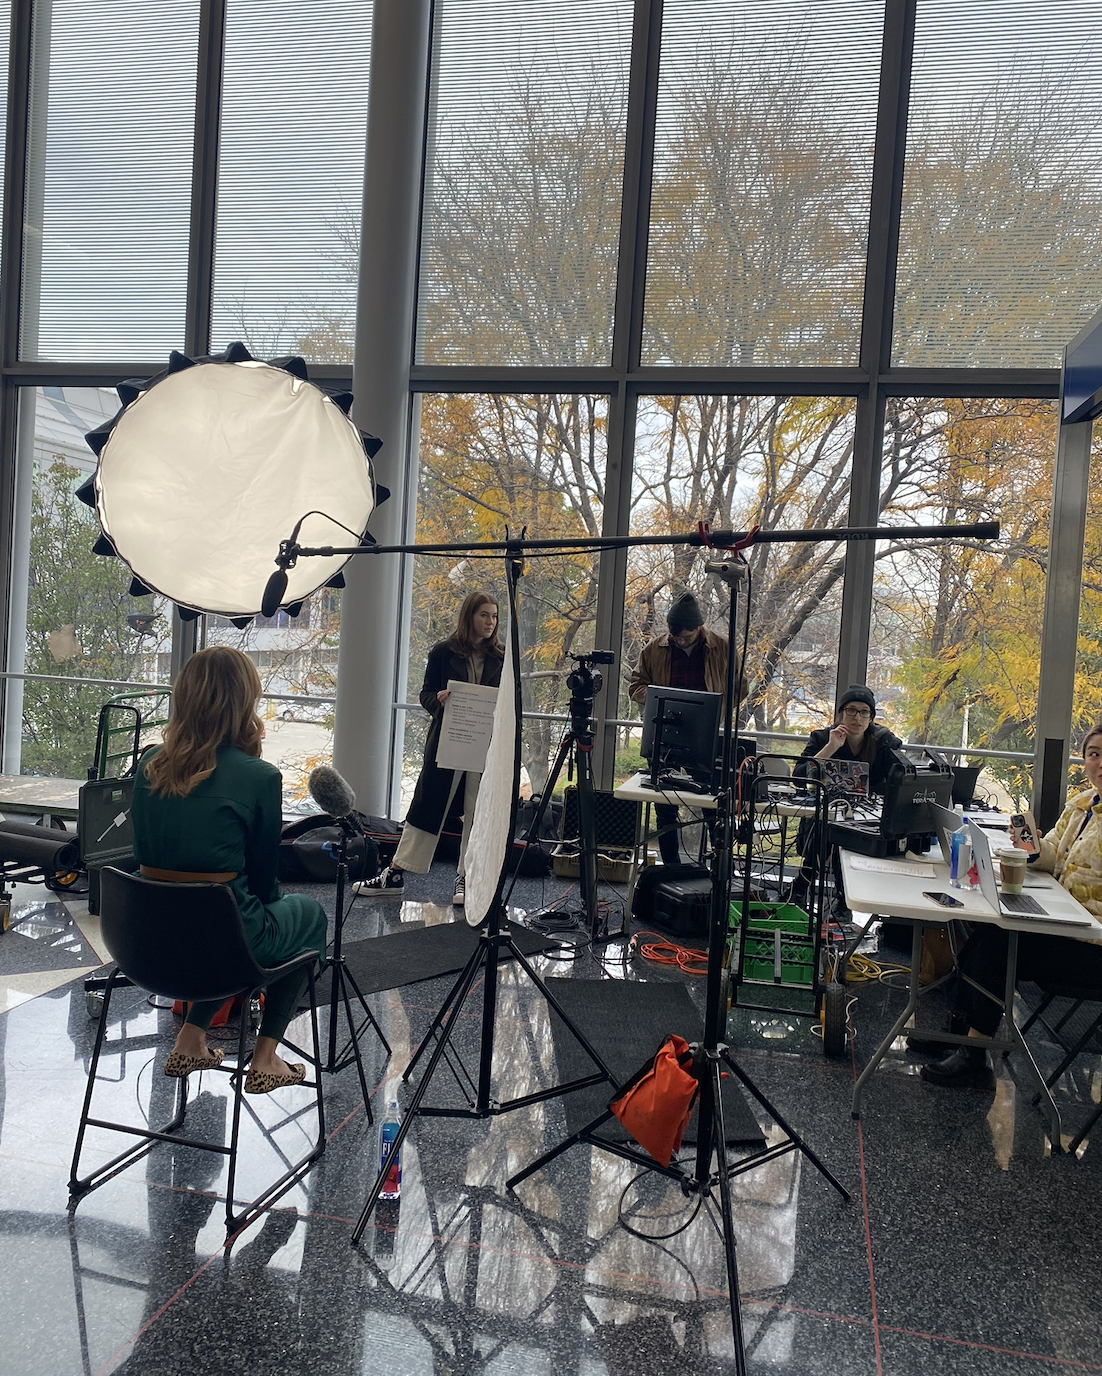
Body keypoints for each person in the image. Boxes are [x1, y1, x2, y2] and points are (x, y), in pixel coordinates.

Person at [131, 646, 327, 1095]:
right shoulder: (259, 776)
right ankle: (266, 1058)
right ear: (244, 702)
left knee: (216, 924)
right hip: (222, 943)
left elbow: (141, 853)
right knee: (305, 919)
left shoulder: (149, 764)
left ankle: (191, 1038)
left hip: (144, 944)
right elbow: (263, 883)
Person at [920, 722, 1102, 1089]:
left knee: (999, 943)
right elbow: (1054, 854)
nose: (1099, 763)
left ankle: (975, 1054)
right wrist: (1029, 848)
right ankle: (960, 1030)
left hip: (1093, 944)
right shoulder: (1082, 804)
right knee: (988, 928)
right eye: (1094, 754)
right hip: (1067, 922)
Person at [359, 591, 504, 905]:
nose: (490, 622)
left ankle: (467, 879)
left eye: (494, 616)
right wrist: (438, 700)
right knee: (426, 808)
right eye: (484, 615)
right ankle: (395, 873)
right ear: (469, 616)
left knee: (477, 813)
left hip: (485, 746)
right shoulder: (443, 652)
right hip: (447, 742)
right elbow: (425, 694)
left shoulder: (502, 657)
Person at [628, 591, 743, 865]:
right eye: (675, 637)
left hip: (705, 738)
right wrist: (659, 699)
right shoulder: (653, 650)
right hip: (664, 735)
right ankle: (671, 867)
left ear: (699, 628)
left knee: (713, 805)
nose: (680, 641)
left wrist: (716, 714)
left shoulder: (722, 648)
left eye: (686, 638)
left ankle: (719, 867)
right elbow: (635, 686)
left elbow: (740, 687)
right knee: (665, 808)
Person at [793, 686, 903, 915]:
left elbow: (900, 778)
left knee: (840, 836)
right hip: (825, 810)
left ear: (871, 717)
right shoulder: (822, 737)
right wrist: (831, 747)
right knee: (827, 828)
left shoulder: (884, 742)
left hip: (866, 814)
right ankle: (811, 893)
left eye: (864, 712)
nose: (857, 717)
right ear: (841, 714)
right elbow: (799, 778)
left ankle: (831, 897)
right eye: (851, 710)